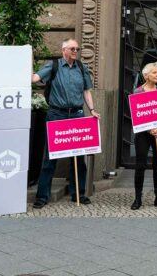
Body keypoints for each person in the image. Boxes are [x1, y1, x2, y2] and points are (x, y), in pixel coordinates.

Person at [31, 38, 99, 209]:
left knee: (78, 157)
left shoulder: (81, 68)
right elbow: (34, 78)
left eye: (77, 48)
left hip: (76, 114)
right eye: (72, 48)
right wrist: (28, 59)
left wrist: (92, 110)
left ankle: (79, 193)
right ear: (64, 50)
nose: (76, 51)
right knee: (50, 157)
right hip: (56, 114)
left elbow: (86, 90)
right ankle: (42, 196)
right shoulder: (53, 66)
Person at [130, 62, 157, 210]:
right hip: (143, 134)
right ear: (146, 76)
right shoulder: (138, 92)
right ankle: (138, 198)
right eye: (154, 73)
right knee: (140, 165)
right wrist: (149, 129)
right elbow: (136, 115)